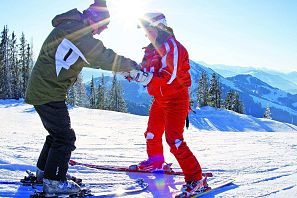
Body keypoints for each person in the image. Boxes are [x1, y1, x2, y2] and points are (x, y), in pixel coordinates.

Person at [25, 0, 138, 196]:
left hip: (45, 89)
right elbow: (101, 56)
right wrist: (132, 66)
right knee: (65, 137)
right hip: (48, 91)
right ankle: (54, 182)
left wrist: (123, 69)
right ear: (94, 20)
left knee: (56, 134)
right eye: (102, 27)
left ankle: (45, 174)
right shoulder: (76, 32)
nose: (101, 32)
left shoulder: (71, 27)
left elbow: (91, 57)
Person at [128, 13, 208, 197]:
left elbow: (169, 76)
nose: (146, 34)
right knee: (151, 134)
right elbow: (146, 72)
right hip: (159, 99)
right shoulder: (150, 49)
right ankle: (156, 163)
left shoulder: (173, 47)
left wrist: (143, 77)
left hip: (176, 100)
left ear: (159, 27)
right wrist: (134, 73)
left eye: (148, 30)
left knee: (175, 140)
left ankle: (196, 179)